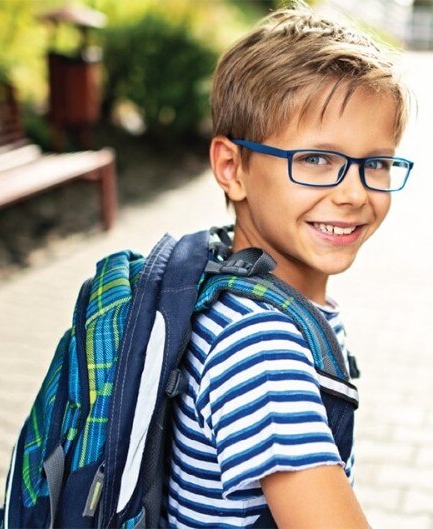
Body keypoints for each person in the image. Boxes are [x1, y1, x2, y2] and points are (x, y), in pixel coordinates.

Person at [166, 3, 414, 528]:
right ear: (232, 168)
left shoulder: (228, 283)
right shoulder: (261, 346)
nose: (354, 192)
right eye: (316, 160)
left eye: (377, 163)